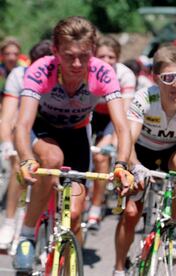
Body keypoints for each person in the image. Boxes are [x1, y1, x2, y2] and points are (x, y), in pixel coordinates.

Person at [13, 16, 133, 272]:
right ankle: (26, 234)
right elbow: (22, 125)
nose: (77, 64)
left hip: (78, 135)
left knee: (75, 215)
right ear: (55, 51)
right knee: (53, 158)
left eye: (84, 56)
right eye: (69, 56)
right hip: (42, 129)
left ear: (92, 52)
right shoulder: (41, 69)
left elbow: (122, 127)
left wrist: (122, 165)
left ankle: (71, 266)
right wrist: (25, 159)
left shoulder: (103, 72)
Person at [113, 45, 176, 276]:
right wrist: (135, 166)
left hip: (174, 149)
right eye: (168, 78)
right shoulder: (144, 98)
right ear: (155, 78)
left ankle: (173, 227)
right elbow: (128, 139)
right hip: (141, 151)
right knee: (130, 214)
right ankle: (119, 267)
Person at [0, 40, 53, 249]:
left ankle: (46, 227)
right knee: (18, 166)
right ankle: (10, 221)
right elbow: (7, 116)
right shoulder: (19, 75)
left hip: (49, 128)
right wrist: (6, 143)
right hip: (23, 126)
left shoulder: (60, 77)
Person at [87, 35, 137, 230]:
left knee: (100, 156)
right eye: (102, 57)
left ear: (118, 58)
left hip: (112, 117)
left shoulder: (125, 75)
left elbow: (122, 115)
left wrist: (112, 139)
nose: (106, 62)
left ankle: (96, 207)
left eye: (111, 57)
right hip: (90, 115)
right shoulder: (88, 70)